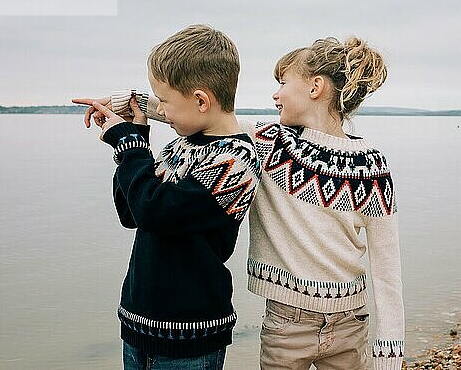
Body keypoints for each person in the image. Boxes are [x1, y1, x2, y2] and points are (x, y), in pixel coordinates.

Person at [95, 35, 404, 370]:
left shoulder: (371, 167)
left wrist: (389, 348)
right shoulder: (270, 141)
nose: (275, 93)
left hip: (350, 323)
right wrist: (127, 104)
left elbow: (387, 267)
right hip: (286, 322)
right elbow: (201, 112)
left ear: (315, 87)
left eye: (283, 83)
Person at [72, 24, 261, 370]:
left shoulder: (235, 162)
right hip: (139, 323)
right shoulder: (180, 145)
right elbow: (131, 210)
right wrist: (135, 135)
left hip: (190, 338)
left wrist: (130, 146)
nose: (163, 112)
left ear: (201, 101)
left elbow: (153, 210)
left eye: (166, 103)